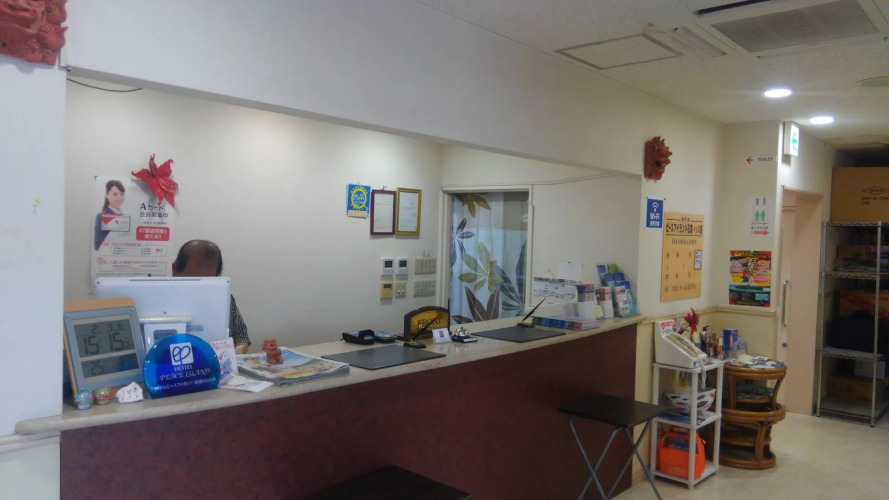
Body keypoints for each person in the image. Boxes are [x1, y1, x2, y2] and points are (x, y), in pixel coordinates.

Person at [171, 239, 252, 353]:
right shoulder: (158, 298)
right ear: (175, 270)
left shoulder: (224, 298)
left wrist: (235, 357)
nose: (199, 289)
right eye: (193, 280)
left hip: (216, 362)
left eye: (208, 282)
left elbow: (242, 339)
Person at [94, 179, 126, 250]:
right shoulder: (101, 217)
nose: (119, 197)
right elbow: (97, 246)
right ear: (107, 195)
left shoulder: (125, 217)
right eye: (115, 194)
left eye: (122, 194)